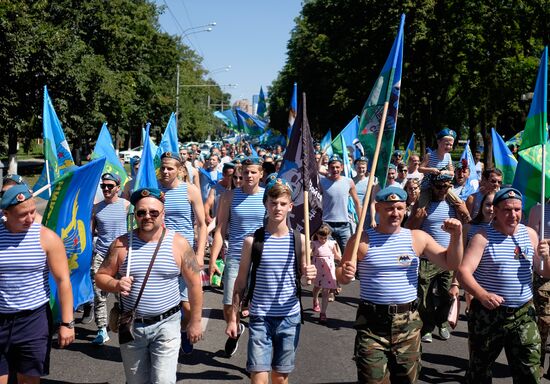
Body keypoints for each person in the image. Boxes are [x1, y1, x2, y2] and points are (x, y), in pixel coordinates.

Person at [336, 186, 463, 383]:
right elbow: (341, 276)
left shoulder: (417, 238)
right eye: (389, 208)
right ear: (377, 208)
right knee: (372, 380)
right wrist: (344, 273)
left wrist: (456, 236)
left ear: (406, 209)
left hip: (408, 324)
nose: (395, 213)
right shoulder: (361, 240)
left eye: (400, 208)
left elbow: (451, 263)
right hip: (372, 325)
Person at [95, 187, 203, 384]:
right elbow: (100, 277)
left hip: (167, 325)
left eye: (154, 212)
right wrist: (116, 284)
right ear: (135, 214)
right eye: (141, 212)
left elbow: (195, 284)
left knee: (163, 381)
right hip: (132, 326)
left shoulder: (178, 244)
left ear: (163, 214)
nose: (147, 216)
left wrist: (195, 321)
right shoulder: (121, 245)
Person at [225, 179, 316, 384]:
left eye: (283, 204)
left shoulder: (300, 240)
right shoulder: (252, 241)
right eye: (273, 202)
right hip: (260, 317)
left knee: (280, 378)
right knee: (258, 378)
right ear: (266, 204)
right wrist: (233, 318)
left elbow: (305, 278)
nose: (278, 208)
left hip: (289, 317)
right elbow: (240, 283)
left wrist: (310, 272)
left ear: (290, 207)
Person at [458, 187, 550, 383]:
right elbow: (463, 272)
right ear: (496, 211)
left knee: (529, 372)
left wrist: (546, 258)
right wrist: (482, 295)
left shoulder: (530, 234)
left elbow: (545, 272)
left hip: (524, 314)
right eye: (507, 209)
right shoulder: (482, 237)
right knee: (479, 371)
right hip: (489, 315)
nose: (513, 214)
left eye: (517, 209)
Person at [0, 185, 75, 382]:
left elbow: (63, 280)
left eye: (33, 211)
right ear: (5, 213)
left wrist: (67, 322)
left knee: (28, 379)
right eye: (23, 214)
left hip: (33, 320)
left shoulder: (46, 237)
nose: (30, 218)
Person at [209, 157, 266, 357]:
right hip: (235, 256)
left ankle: (257, 357)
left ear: (260, 174)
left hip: (261, 258)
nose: (249, 176)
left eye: (253, 172)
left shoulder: (268, 196)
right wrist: (213, 260)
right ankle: (236, 329)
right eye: (246, 172)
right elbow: (221, 228)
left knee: (259, 309)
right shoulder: (228, 196)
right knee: (228, 306)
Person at [158, 152, 206, 355]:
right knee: (164, 300)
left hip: (186, 253)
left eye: (171, 168)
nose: (166, 171)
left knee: (187, 303)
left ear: (180, 170)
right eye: (164, 167)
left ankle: (185, 328)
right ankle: (167, 338)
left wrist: (200, 253)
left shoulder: (190, 190)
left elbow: (203, 225)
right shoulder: (154, 190)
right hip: (160, 251)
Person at [407, 174, 462, 343]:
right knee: (423, 297)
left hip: (447, 257)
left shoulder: (453, 204)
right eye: (439, 187)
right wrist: (418, 217)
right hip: (426, 258)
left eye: (446, 187)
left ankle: (442, 322)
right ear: (431, 187)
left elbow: (463, 228)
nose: (443, 190)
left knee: (447, 294)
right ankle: (428, 326)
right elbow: (409, 229)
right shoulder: (423, 204)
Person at [90, 173, 130, 344]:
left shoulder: (126, 205)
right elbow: (90, 233)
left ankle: (123, 323)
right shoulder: (96, 208)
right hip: (101, 256)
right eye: (103, 186)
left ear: (118, 188)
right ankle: (101, 329)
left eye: (109, 185)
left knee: (123, 294)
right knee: (99, 294)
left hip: (121, 256)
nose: (106, 188)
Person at [319, 154, 361, 251]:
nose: (335, 169)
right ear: (328, 168)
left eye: (337, 167)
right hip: (326, 224)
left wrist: (360, 223)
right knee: (327, 255)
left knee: (347, 253)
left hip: (344, 224)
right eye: (332, 167)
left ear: (342, 167)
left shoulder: (349, 182)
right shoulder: (322, 182)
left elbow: (357, 203)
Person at [528, 199, 550, 376]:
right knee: (543, 322)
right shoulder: (539, 210)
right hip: (544, 275)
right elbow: (532, 241)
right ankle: (538, 363)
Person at [311, 224, 341, 323]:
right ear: (317, 235)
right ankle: (315, 300)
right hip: (318, 268)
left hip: (328, 269)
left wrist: (342, 262)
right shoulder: (314, 243)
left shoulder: (331, 243)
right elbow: (309, 254)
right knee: (316, 288)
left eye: (325, 238)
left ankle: (323, 312)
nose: (323, 240)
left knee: (326, 291)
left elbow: (336, 255)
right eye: (321, 237)